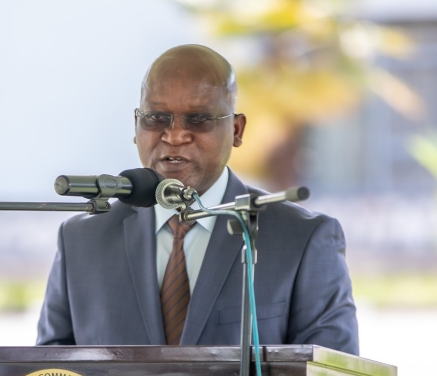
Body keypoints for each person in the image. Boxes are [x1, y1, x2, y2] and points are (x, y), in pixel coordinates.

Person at [37, 44, 358, 355]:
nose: (175, 135)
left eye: (199, 119)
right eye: (156, 117)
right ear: (136, 125)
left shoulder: (304, 240)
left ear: (236, 129)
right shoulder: (81, 240)